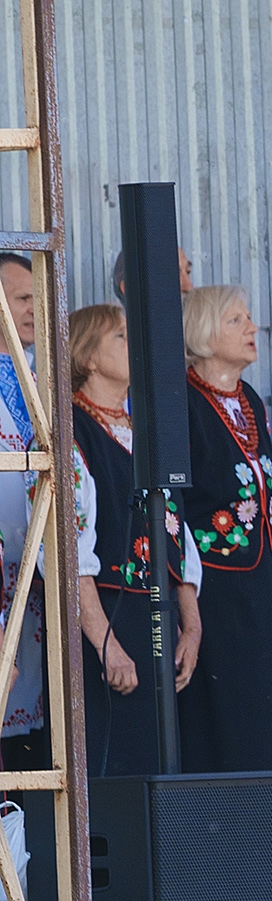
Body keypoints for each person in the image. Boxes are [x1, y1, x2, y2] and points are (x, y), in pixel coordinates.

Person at [68, 304, 202, 779]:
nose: (136, 346)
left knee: (161, 754)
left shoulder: (147, 433)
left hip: (156, 617)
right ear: (87, 356)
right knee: (116, 756)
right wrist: (106, 644)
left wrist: (192, 625)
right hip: (106, 617)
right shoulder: (71, 434)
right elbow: (68, 554)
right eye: (121, 336)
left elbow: (176, 532)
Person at [179, 283, 272, 774]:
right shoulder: (182, 403)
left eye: (249, 318)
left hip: (262, 578)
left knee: (268, 708)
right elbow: (176, 506)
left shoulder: (248, 399)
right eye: (236, 321)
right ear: (203, 333)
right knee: (226, 711)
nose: (253, 328)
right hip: (214, 583)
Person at [0, 253, 47, 769]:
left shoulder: (44, 376)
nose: (35, 309)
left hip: (33, 577)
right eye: (21, 298)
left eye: (38, 297)